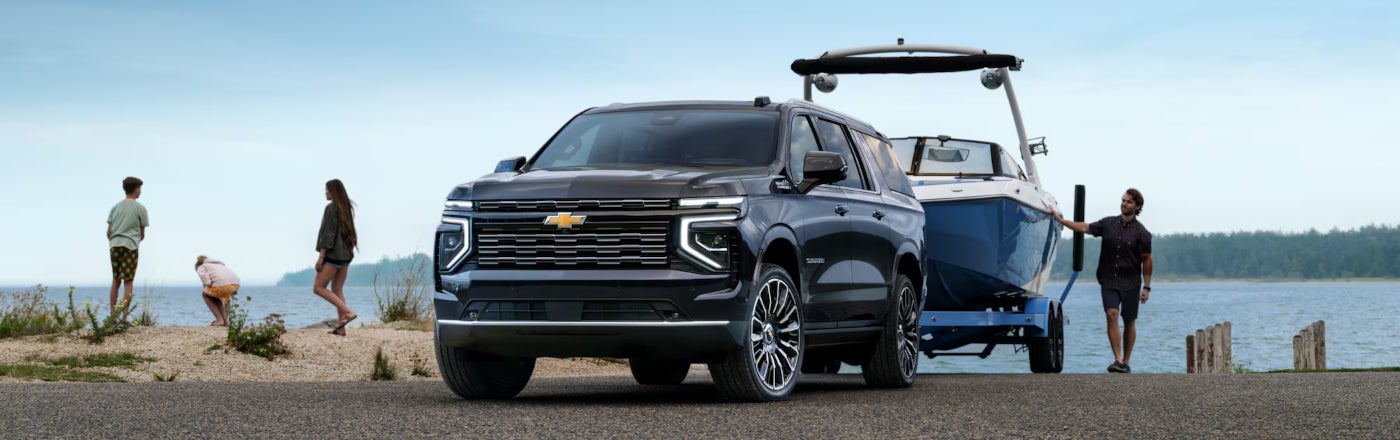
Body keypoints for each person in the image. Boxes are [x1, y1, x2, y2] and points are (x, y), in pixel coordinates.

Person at [1052, 188, 1154, 373]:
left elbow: (1147, 260)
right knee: (1111, 314)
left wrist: (1146, 287)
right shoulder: (1108, 224)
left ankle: (1126, 362)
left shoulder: (1142, 233)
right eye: (1123, 200)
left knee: (1129, 320)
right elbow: (1084, 227)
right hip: (1108, 279)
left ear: (1137, 206)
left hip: (1131, 282)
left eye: (1129, 202)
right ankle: (1117, 359)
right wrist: (1061, 221)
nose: (1124, 203)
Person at [316, 179, 359, 336]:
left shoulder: (331, 208)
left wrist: (321, 256)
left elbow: (329, 234)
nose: (325, 193)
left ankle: (348, 313)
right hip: (346, 254)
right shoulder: (346, 207)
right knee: (337, 289)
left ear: (334, 192)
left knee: (319, 287)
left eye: (327, 190)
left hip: (333, 254)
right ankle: (341, 328)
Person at [106, 176, 150, 317]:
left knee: (116, 280)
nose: (140, 192)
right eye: (140, 189)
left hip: (114, 245)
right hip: (130, 245)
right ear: (136, 190)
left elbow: (109, 232)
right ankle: (124, 316)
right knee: (128, 281)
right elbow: (142, 234)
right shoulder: (140, 209)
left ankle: (113, 316)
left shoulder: (115, 208)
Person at [195, 256, 240, 326]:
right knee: (218, 297)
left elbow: (205, 279)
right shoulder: (220, 265)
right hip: (235, 285)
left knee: (205, 295)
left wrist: (207, 284)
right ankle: (225, 321)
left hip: (222, 285)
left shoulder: (201, 267)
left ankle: (219, 320)